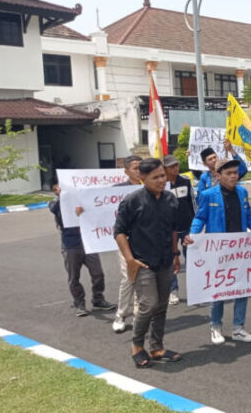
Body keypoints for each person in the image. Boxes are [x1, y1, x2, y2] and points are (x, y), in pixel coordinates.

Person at [185, 158, 251, 345]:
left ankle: (238, 328)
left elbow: (249, 220)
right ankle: (215, 327)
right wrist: (193, 235)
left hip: (240, 250)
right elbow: (200, 218)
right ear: (218, 175)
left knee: (242, 289)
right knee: (218, 291)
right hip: (218, 251)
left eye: (235, 173)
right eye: (229, 173)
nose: (233, 176)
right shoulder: (207, 195)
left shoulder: (242, 192)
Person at [114, 158, 182, 368]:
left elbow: (173, 230)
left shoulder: (170, 199)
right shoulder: (132, 201)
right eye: (156, 177)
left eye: (163, 176)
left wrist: (175, 253)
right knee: (148, 305)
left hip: (165, 261)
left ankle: (156, 347)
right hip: (142, 263)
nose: (162, 180)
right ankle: (137, 346)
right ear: (143, 179)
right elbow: (119, 232)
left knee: (161, 306)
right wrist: (130, 259)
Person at [49, 183, 115, 316]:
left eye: (60, 188)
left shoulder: (83, 201)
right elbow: (54, 209)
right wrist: (63, 197)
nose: (58, 190)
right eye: (56, 189)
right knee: (74, 277)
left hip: (89, 242)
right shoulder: (54, 203)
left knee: (98, 273)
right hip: (70, 245)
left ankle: (98, 299)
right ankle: (79, 304)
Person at [111, 154, 143, 333]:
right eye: (135, 168)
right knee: (129, 278)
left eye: (141, 167)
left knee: (142, 279)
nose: (139, 171)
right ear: (126, 171)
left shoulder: (149, 187)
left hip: (145, 242)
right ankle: (121, 314)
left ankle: (139, 314)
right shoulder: (116, 191)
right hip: (126, 242)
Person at [163, 154, 196, 306]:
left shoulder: (186, 181)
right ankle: (173, 291)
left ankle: (195, 291)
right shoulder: (161, 183)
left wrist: (196, 224)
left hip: (187, 226)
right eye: (171, 166)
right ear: (165, 169)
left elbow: (193, 203)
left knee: (192, 260)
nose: (175, 168)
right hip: (169, 229)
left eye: (176, 165)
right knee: (171, 260)